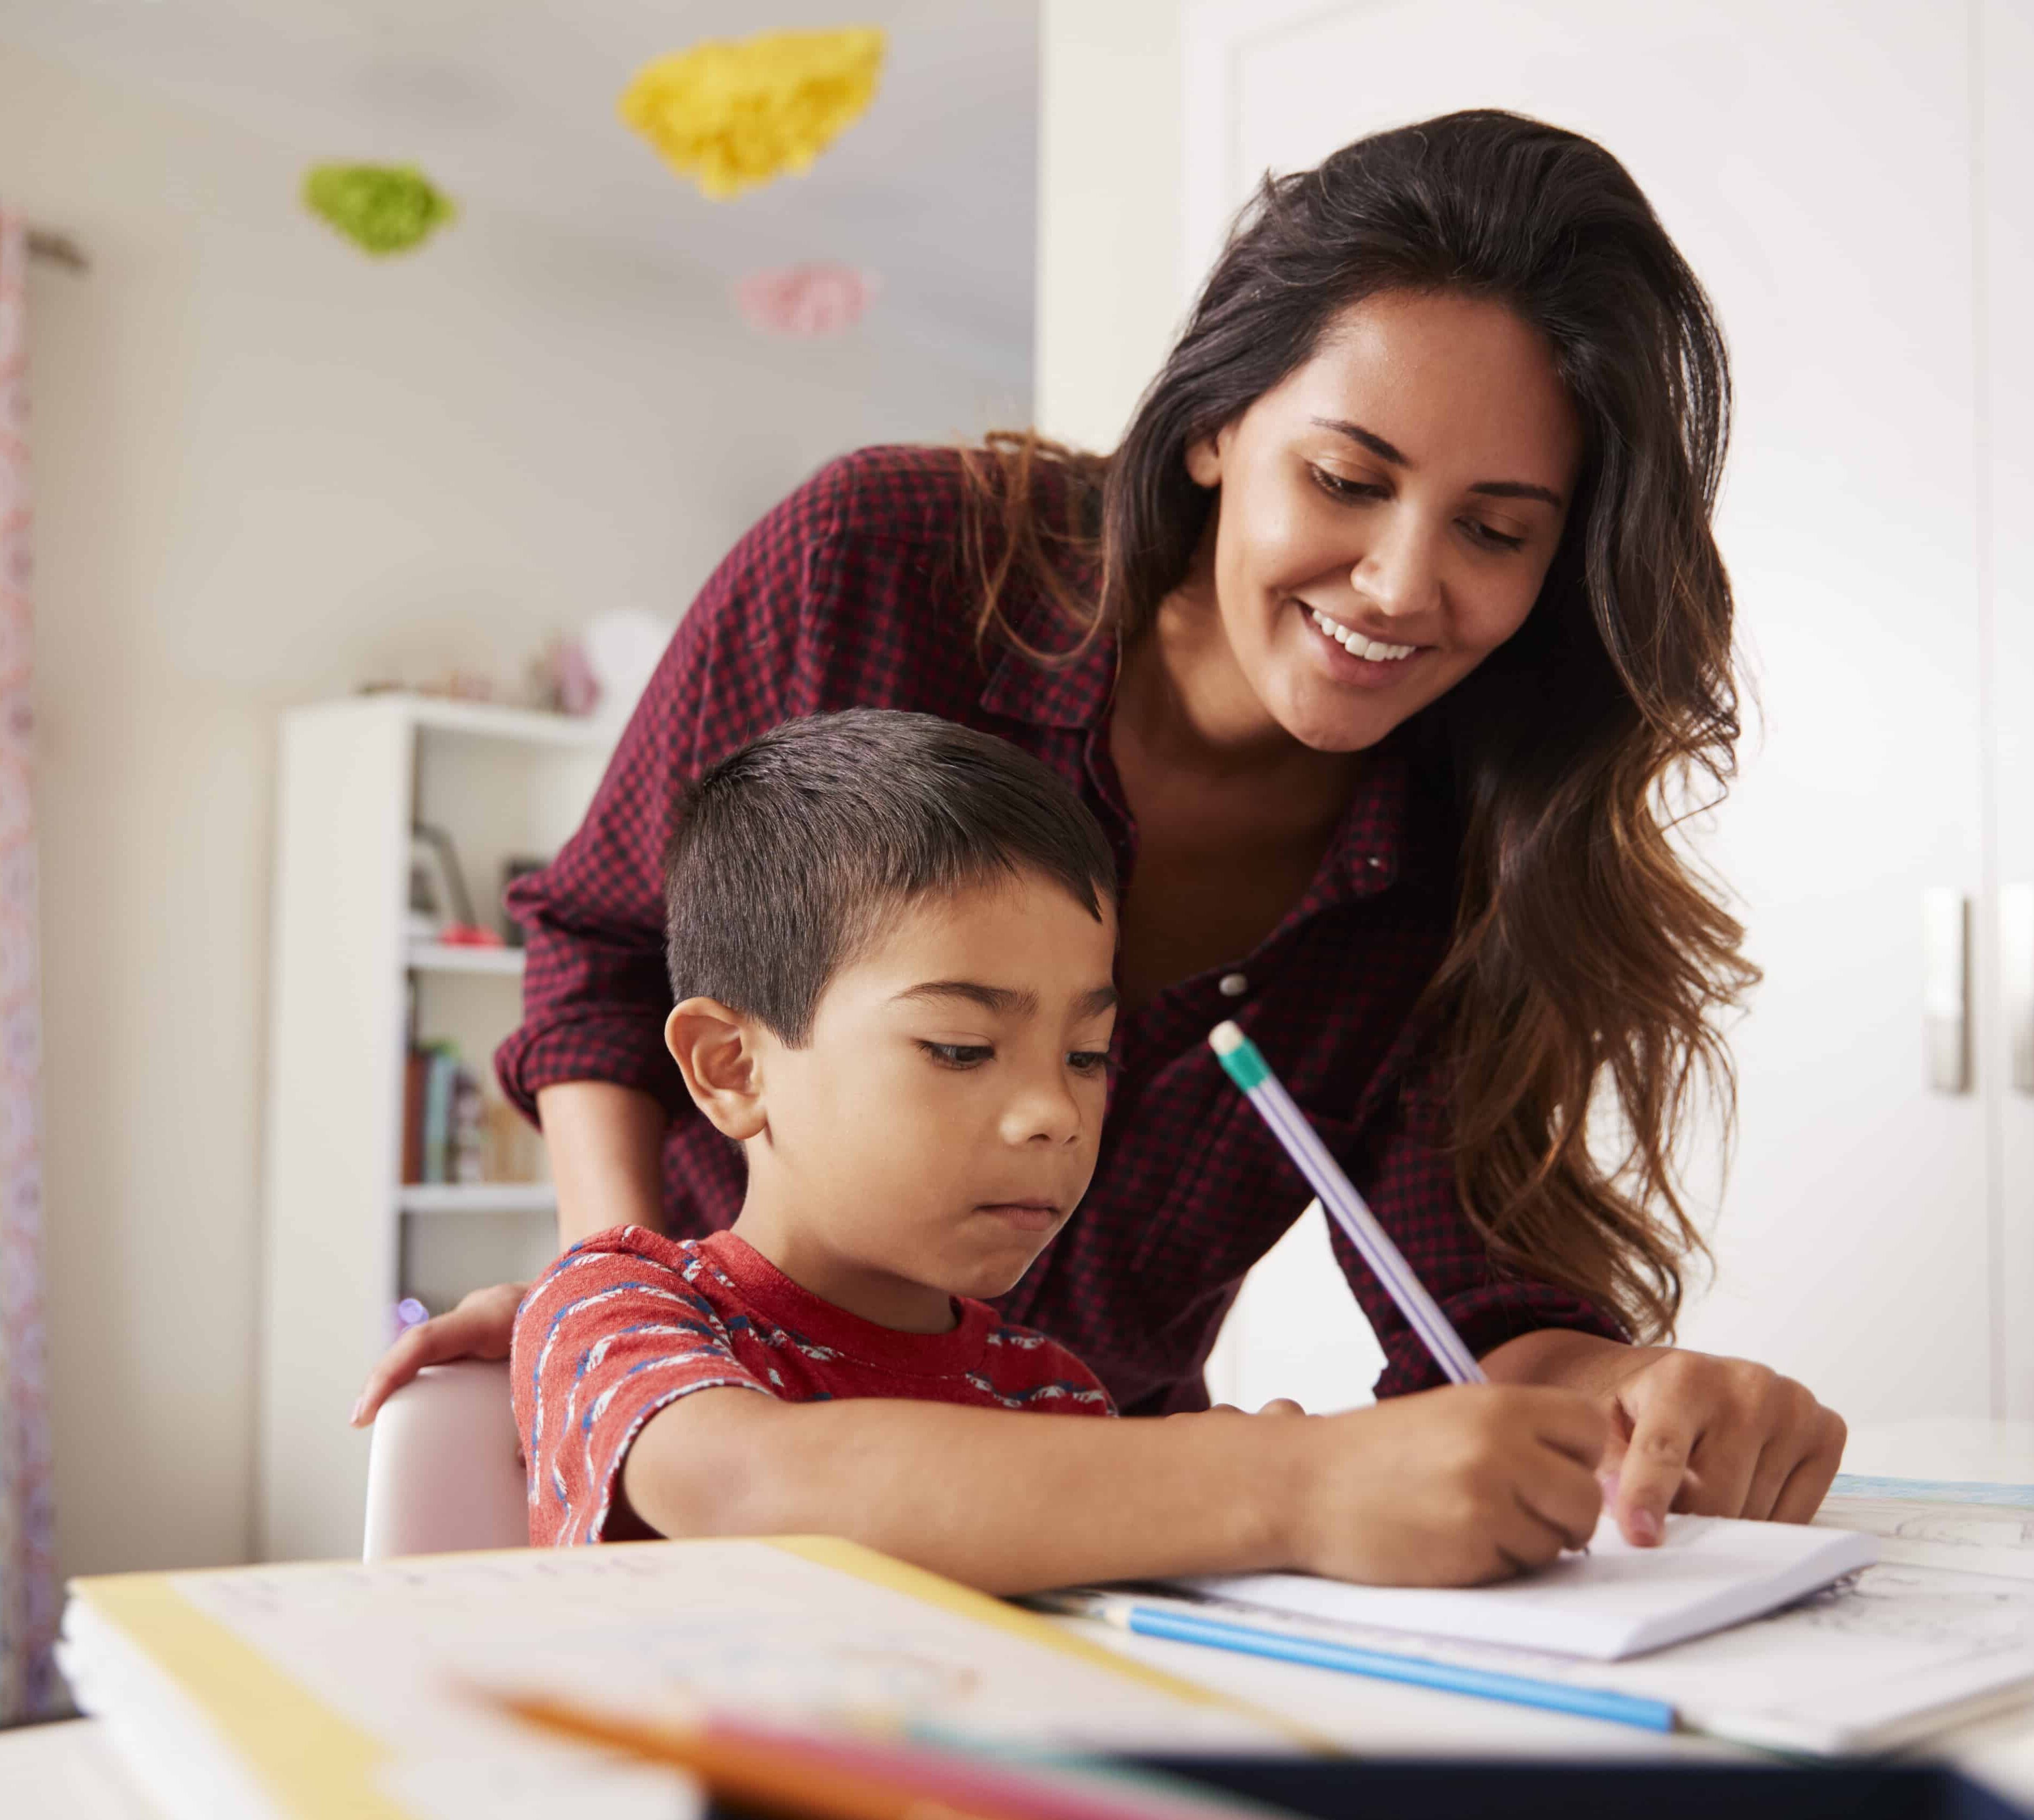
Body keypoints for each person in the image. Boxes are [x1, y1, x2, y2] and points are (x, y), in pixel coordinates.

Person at [355, 110, 1846, 1549]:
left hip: (1095, 1540)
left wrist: (1631, 1400)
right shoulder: (879, 562)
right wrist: (613, 1284)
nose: (1399, 582)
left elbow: (1474, 1319)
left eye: (1496, 530)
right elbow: (608, 956)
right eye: (1345, 479)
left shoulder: (1470, 852)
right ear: (1214, 425)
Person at [522, 708, 1609, 1594]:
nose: (1054, 1111)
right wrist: (1290, 1483)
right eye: (960, 1046)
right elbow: (751, 1490)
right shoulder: (618, 1307)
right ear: (731, 1066)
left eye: (1089, 1054)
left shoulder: (1047, 1395)